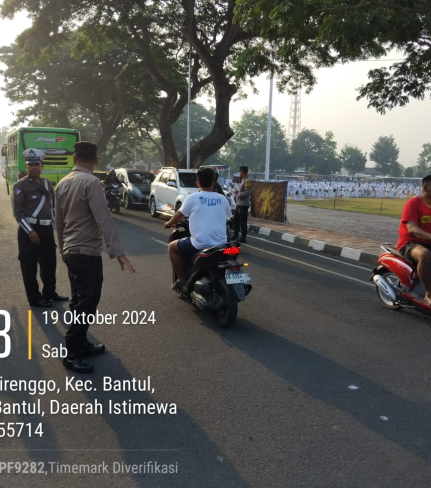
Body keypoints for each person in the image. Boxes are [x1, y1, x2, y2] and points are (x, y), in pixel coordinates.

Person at [55, 141, 136, 373]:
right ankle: (72, 352)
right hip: (86, 253)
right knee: (87, 303)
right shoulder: (91, 183)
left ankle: (81, 343)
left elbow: (58, 222)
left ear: (74, 159)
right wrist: (118, 252)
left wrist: (62, 249)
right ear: (96, 160)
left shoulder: (62, 183)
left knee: (78, 299)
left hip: (71, 251)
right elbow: (104, 219)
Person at [12, 148, 68, 308]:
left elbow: (51, 206)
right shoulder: (20, 186)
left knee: (49, 263)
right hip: (29, 230)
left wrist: (53, 224)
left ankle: (49, 293)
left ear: (42, 166)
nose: (34, 167)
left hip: (46, 229)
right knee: (29, 266)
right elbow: (18, 212)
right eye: (30, 165)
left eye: (37, 164)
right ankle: (35, 298)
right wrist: (29, 231)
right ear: (26, 167)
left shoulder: (46, 183)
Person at [164, 167, 232, 291]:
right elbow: (228, 216)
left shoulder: (193, 198)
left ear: (197, 183)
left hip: (200, 244)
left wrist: (169, 223)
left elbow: (179, 214)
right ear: (213, 183)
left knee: (172, 248)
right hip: (221, 245)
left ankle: (182, 280)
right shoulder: (223, 199)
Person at [398, 175, 431, 305]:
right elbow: (412, 229)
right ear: (425, 188)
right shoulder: (413, 204)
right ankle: (428, 293)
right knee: (425, 254)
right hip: (409, 242)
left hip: (428, 242)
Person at [233, 166, 251, 243]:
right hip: (239, 204)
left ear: (243, 172)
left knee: (243, 222)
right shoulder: (243, 181)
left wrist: (238, 193)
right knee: (236, 220)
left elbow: (247, 193)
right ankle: (235, 235)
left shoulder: (247, 181)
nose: (239, 173)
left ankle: (243, 237)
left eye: (240, 171)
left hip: (243, 204)